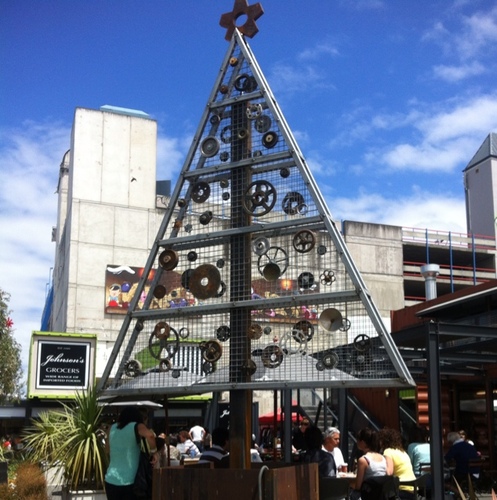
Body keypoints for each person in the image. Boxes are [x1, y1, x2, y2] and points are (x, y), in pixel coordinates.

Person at [104, 405, 158, 500]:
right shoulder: (137, 426)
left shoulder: (111, 428)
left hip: (111, 479)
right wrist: (154, 452)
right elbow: (150, 436)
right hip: (130, 481)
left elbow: (107, 450)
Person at [350, 427, 392, 500]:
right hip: (381, 496)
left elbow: (358, 486)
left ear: (362, 443)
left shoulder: (363, 460)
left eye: (358, 440)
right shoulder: (383, 458)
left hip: (368, 495)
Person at [379, 428, 416, 500]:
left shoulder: (388, 451)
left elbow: (389, 473)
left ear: (383, 440)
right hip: (413, 490)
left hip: (401, 491)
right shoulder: (402, 451)